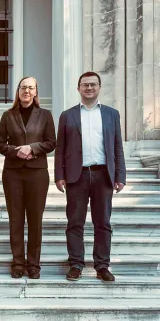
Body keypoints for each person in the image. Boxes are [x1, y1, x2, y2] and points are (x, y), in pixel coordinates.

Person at [55, 71, 126, 282]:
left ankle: (102, 265)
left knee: (102, 222)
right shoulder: (67, 115)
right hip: (77, 176)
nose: (89, 88)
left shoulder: (112, 114)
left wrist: (120, 174)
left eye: (93, 85)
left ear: (99, 88)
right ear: (78, 88)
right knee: (75, 222)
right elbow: (60, 149)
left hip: (103, 174)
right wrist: (60, 175)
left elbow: (117, 147)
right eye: (85, 85)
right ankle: (76, 264)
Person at [0, 77, 56, 279]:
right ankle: (18, 263)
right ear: (18, 91)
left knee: (35, 220)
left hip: (37, 172)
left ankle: (34, 264)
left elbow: (51, 142)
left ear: (36, 91)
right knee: (16, 219)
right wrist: (17, 151)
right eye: (23, 87)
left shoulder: (45, 115)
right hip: (13, 172)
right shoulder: (8, 115)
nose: (27, 91)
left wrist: (33, 148)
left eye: (31, 88)